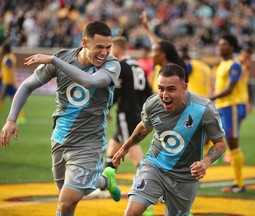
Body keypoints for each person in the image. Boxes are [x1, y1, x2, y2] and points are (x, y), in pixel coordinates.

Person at [0, 20, 122, 216]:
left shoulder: (112, 64)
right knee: (71, 197)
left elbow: (90, 81)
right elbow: (26, 86)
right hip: (60, 138)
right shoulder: (64, 58)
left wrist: (54, 60)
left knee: (65, 202)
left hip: (89, 143)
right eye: (99, 46)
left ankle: (100, 180)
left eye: (108, 47)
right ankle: (106, 180)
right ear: (84, 42)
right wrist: (11, 119)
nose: (105, 52)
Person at [112, 63, 227, 216]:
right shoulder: (152, 104)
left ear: (184, 87)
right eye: (161, 88)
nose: (164, 95)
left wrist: (204, 163)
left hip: (186, 178)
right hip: (155, 166)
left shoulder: (204, 109)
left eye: (171, 89)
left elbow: (220, 144)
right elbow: (144, 127)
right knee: (131, 213)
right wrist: (125, 147)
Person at [87, 36, 153, 199]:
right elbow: (149, 93)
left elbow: (115, 93)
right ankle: (104, 188)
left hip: (126, 113)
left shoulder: (120, 66)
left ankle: (150, 187)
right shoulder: (137, 65)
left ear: (115, 49)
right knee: (113, 148)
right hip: (137, 113)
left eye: (109, 48)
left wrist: (106, 109)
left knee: (131, 150)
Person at [209, 34, 246, 193]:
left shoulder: (235, 65)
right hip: (222, 107)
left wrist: (209, 98)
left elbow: (229, 89)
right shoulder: (221, 65)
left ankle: (239, 184)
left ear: (232, 47)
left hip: (232, 107)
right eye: (218, 44)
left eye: (223, 44)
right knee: (221, 139)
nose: (220, 47)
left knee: (233, 143)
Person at [140, 11, 188, 93]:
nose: (151, 55)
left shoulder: (173, 72)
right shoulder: (159, 67)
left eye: (153, 52)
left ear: (162, 55)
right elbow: (157, 45)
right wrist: (147, 29)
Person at [0, 42, 25, 124]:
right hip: (8, 82)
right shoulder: (11, 57)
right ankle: (21, 117)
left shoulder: (8, 58)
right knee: (14, 100)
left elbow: (10, 71)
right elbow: (6, 70)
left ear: (5, 49)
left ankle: (21, 117)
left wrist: (13, 82)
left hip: (7, 83)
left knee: (2, 98)